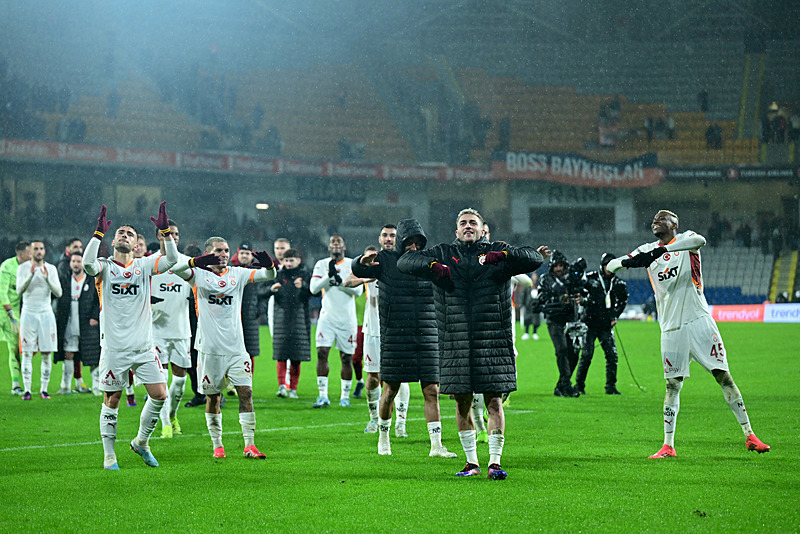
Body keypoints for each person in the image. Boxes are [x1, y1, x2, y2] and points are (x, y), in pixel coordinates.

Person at [605, 210, 770, 458]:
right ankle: (668, 445)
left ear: (674, 225)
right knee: (672, 385)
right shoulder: (647, 249)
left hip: (700, 322)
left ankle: (749, 435)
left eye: (661, 219)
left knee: (724, 377)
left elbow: (700, 241)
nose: (655, 222)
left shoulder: (687, 239)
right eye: (653, 220)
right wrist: (634, 260)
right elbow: (611, 265)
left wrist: (664, 251)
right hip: (671, 329)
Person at [398, 208, 546, 479]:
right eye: (463, 223)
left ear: (483, 229)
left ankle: (495, 462)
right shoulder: (442, 254)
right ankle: (471, 463)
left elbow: (534, 257)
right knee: (462, 403)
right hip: (455, 341)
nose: (468, 227)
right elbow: (405, 262)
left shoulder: (498, 251)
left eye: (473, 223)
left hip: (493, 341)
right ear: (456, 231)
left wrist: (504, 255)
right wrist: (432, 267)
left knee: (494, 402)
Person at [83, 202, 178, 469]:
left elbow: (171, 260)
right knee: (112, 399)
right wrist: (96, 234)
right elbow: (88, 264)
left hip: (144, 348)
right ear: (114, 240)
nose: (125, 235)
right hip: (114, 348)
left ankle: (141, 442)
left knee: (160, 394)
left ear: (137, 244)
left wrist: (166, 233)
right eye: (121, 232)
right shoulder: (103, 267)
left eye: (130, 234)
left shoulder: (145, 265)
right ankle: (109, 454)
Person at [353, 220, 457, 458]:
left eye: (417, 242)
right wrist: (360, 262)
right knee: (389, 389)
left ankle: (436, 445)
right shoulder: (386, 260)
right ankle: (383, 438)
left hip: (428, 334)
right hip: (395, 335)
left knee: (431, 390)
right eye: (408, 242)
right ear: (400, 242)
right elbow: (359, 271)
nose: (412, 246)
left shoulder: (429, 262)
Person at [171, 237, 276, 459]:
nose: (225, 254)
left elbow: (268, 276)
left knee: (246, 392)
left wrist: (269, 265)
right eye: (219, 250)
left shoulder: (237, 273)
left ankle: (250, 445)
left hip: (237, 348)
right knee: (213, 398)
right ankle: (217, 445)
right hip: (209, 349)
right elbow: (176, 269)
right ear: (209, 253)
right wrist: (196, 261)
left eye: (227, 250)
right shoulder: (198, 275)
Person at [309, 235, 363, 408]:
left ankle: (344, 397)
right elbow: (313, 288)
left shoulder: (351, 264)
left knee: (346, 357)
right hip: (327, 318)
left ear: (344, 247)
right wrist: (328, 276)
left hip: (347, 319)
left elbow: (358, 291)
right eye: (333, 242)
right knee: (321, 353)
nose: (336, 245)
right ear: (329, 247)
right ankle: (323, 395)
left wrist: (340, 282)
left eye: (339, 242)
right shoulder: (321, 264)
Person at [150, 220, 192, 438]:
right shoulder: (150, 263)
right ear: (159, 236)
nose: (173, 237)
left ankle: (172, 414)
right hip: (156, 332)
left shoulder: (187, 263)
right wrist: (148, 306)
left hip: (182, 330)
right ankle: (165, 423)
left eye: (176, 234)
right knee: (161, 380)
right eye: (168, 234)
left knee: (180, 382)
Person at [574, 253, 628, 395]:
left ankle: (610, 387)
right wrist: (583, 300)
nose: (609, 268)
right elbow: (579, 290)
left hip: (605, 325)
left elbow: (623, 300)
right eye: (606, 265)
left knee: (612, 356)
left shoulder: (618, 283)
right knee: (586, 355)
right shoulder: (590, 278)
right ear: (602, 266)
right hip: (589, 323)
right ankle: (579, 386)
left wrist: (615, 315)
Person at [16, 240, 63, 400]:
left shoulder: (51, 269)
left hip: (46, 313)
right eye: (36, 249)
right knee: (27, 353)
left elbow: (58, 292)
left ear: (44, 251)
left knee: (46, 353)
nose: (39, 251)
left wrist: (47, 278)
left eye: (41, 249)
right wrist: (30, 275)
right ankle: (27, 390)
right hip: (28, 313)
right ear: (31, 251)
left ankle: (44, 389)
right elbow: (19, 291)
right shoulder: (23, 268)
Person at [55, 252, 100, 395]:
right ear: (70, 263)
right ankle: (65, 386)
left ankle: (97, 386)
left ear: (83, 263)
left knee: (93, 355)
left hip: (87, 323)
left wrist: (95, 316)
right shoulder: (65, 280)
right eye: (73, 261)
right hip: (69, 323)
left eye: (78, 261)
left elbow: (98, 299)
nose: (76, 264)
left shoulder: (91, 280)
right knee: (69, 353)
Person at [269, 248, 311, 399]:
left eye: (291, 260)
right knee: (281, 355)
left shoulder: (305, 275)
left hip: (299, 319)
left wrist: (304, 287)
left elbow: (313, 293)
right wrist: (272, 290)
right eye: (286, 260)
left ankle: (293, 388)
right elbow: (265, 292)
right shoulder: (278, 276)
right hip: (281, 319)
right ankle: (282, 387)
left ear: (298, 260)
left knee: (296, 357)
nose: (289, 263)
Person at [538, 251, 582, 397]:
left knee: (574, 353)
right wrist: (558, 299)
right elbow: (542, 298)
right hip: (554, 320)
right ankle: (567, 386)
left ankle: (561, 385)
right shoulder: (545, 279)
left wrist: (577, 297)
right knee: (562, 350)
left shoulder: (571, 280)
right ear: (551, 267)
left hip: (570, 319)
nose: (558, 268)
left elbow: (581, 292)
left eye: (561, 265)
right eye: (556, 265)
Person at [0, 241, 30, 395]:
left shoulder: (27, 268)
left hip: (17, 313)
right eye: (29, 252)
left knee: (18, 349)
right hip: (5, 313)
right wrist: (10, 313)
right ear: (21, 254)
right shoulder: (7, 267)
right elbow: (2, 292)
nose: (31, 255)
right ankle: (15, 385)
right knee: (13, 348)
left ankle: (17, 384)